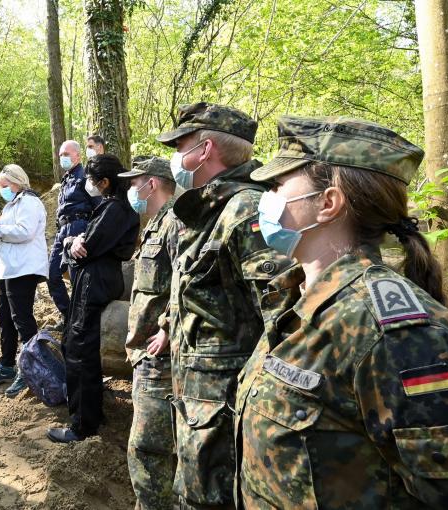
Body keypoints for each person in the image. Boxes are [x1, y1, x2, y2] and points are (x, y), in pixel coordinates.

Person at [235, 115, 448, 508]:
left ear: (328, 204)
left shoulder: (395, 335)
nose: (265, 200)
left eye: (276, 187)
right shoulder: (297, 299)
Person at [154, 102, 294, 509]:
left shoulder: (246, 209)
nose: (175, 157)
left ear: (206, 148)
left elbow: (283, 320)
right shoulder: (207, 209)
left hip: (227, 411)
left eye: (180, 145)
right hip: (199, 407)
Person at [47, 154, 140, 443]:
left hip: (95, 279)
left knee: (79, 349)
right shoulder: (118, 206)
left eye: (91, 180)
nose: (88, 185)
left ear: (105, 182)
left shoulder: (114, 208)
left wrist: (72, 242)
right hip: (101, 276)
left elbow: (88, 247)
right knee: (81, 345)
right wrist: (74, 242)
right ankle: (92, 414)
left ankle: (82, 425)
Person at [119, 156, 180, 509]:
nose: (131, 189)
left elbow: (189, 281)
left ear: (152, 183)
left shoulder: (176, 222)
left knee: (147, 450)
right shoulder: (157, 222)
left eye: (134, 182)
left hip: (160, 359)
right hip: (145, 356)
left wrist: (168, 328)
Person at [0, 164, 49, 398]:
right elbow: (6, 234)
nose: (2, 190)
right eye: (0, 187)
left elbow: (24, 232)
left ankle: (30, 368)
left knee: (21, 317)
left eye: (5, 186)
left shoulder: (29, 202)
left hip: (24, 268)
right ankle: (7, 364)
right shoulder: (12, 204)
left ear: (18, 181)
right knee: (5, 318)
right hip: (8, 268)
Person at [47, 140, 101, 330]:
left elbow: (99, 207)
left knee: (77, 278)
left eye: (66, 154)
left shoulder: (86, 177)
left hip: (79, 228)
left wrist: (87, 234)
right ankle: (69, 315)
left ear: (78, 155)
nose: (63, 158)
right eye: (61, 155)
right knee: (52, 274)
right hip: (62, 231)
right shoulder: (66, 179)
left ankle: (80, 321)